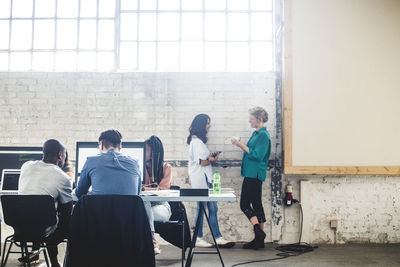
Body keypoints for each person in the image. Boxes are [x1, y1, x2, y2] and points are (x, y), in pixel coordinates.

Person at [18, 139, 73, 267]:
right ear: (60, 155)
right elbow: (66, 212)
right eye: (65, 154)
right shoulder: (63, 178)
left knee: (43, 214)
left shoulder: (26, 166)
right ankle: (58, 262)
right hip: (45, 231)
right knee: (67, 221)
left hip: (20, 229)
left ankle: (36, 253)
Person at [187, 114, 234, 248]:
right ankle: (199, 237)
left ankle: (217, 237)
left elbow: (202, 160)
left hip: (205, 178)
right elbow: (202, 162)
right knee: (202, 208)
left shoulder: (198, 142)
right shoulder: (196, 142)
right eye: (208, 123)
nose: (209, 126)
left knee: (212, 207)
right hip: (201, 179)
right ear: (202, 125)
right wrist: (211, 160)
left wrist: (210, 158)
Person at [232, 107, 271, 250]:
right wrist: (242, 143)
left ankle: (258, 232)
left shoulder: (263, 135)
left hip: (254, 174)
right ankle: (259, 239)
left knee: (245, 205)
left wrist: (239, 144)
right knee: (256, 204)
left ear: (259, 119)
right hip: (250, 173)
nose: (249, 120)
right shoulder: (256, 134)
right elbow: (251, 150)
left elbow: (257, 155)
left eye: (251, 118)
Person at [75, 129, 141, 198]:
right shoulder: (135, 163)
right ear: (120, 146)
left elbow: (80, 193)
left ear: (101, 145)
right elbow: (137, 194)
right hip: (128, 208)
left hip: (99, 208)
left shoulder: (91, 161)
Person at [142, 136, 172, 254]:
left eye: (146, 149)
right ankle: (152, 240)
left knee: (141, 212)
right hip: (145, 206)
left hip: (161, 206)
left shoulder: (166, 168)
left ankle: (151, 240)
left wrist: (145, 188)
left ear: (154, 152)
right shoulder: (139, 167)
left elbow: (163, 189)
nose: (143, 151)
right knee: (144, 201)